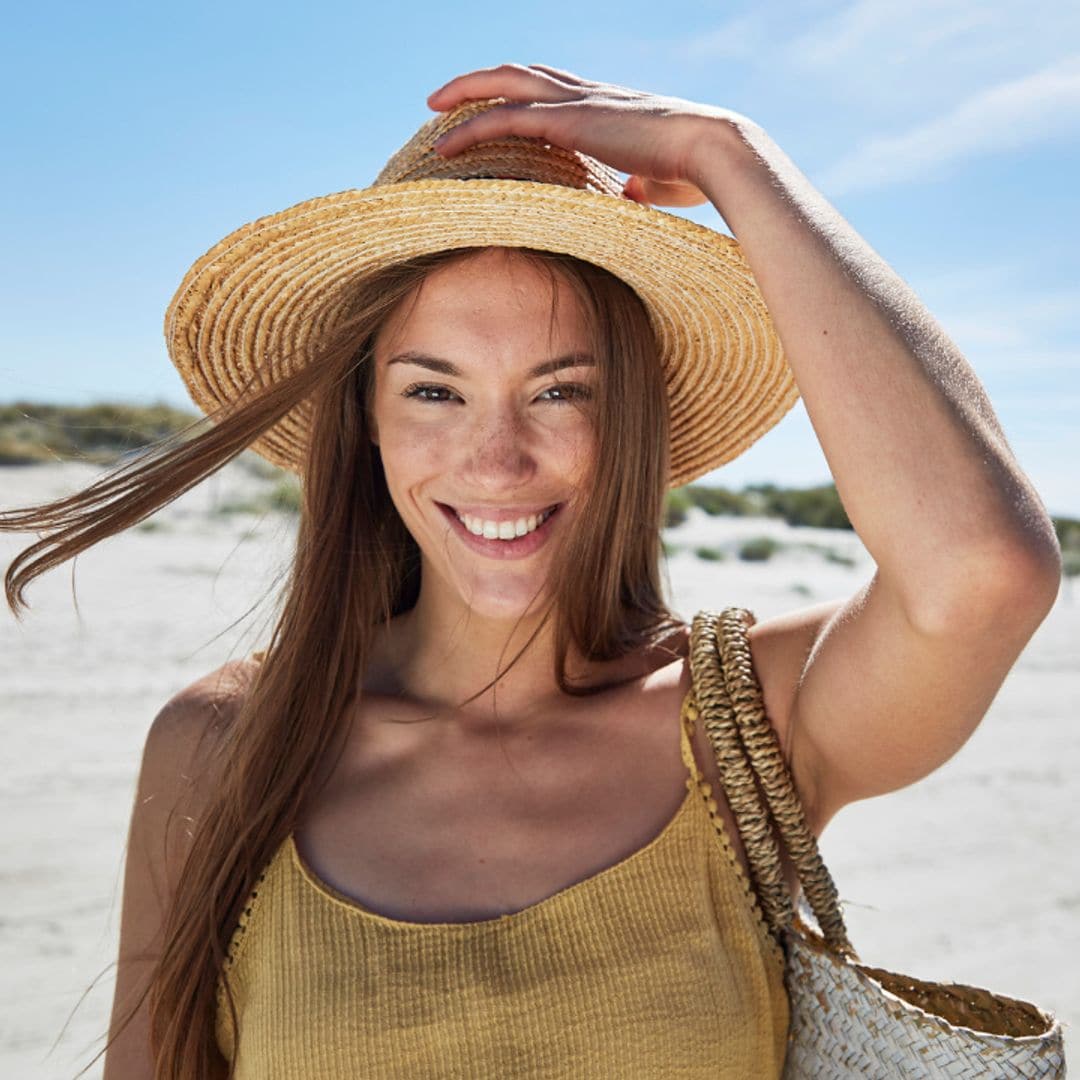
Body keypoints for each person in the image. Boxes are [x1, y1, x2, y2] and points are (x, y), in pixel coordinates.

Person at [1, 63, 1062, 1080]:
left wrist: (731, 155)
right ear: (365, 422)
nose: (497, 460)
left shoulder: (747, 723)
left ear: (633, 420)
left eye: (561, 391)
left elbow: (981, 572)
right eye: (433, 392)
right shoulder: (223, 747)